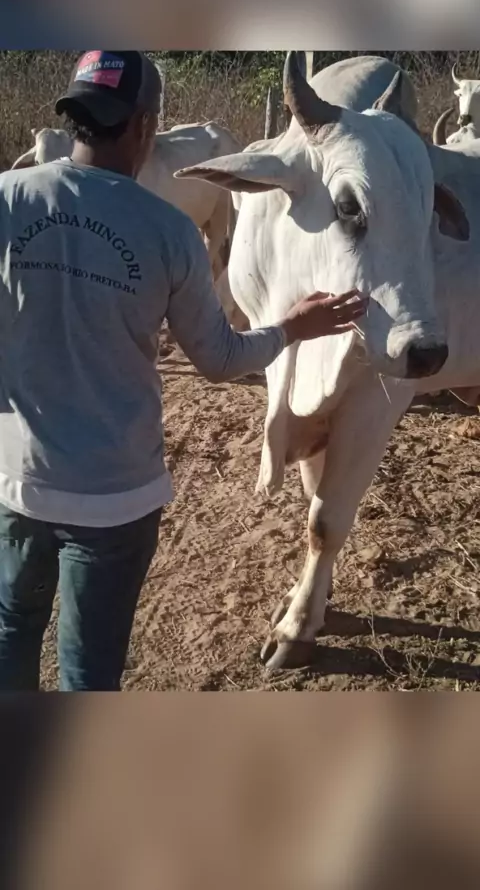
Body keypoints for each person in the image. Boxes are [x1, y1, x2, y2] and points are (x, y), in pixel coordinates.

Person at [0, 51, 368, 692]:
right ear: (146, 125)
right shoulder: (169, 231)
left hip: (16, 486)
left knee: (10, 633)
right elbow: (220, 361)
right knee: (89, 668)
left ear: (73, 118)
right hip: (117, 499)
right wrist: (290, 328)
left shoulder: (8, 199)